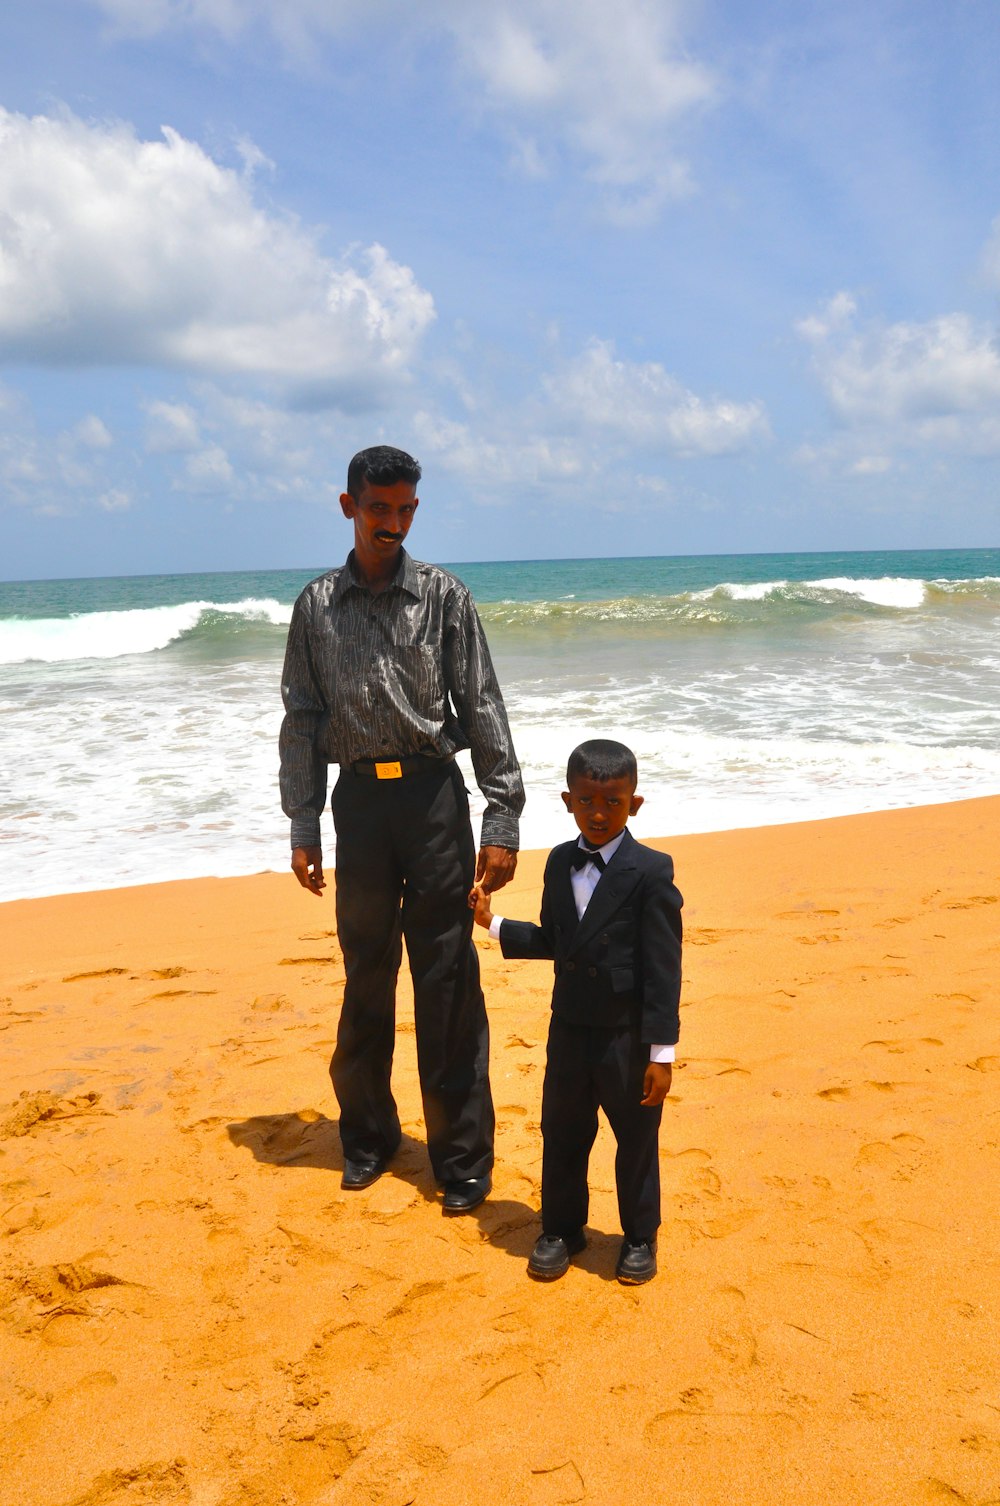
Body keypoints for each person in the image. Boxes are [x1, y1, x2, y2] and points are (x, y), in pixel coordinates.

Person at [279, 445, 524, 1213]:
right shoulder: (316, 606)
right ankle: (368, 1137)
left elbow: (480, 704)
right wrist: (303, 821)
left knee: (448, 979)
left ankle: (460, 1160)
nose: (393, 522)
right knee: (366, 971)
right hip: (358, 807)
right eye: (379, 508)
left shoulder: (445, 596)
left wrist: (503, 814)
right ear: (348, 506)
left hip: (432, 804)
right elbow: (302, 720)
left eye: (406, 509)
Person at [471, 739, 682, 1283]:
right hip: (568, 1030)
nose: (598, 813)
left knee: (635, 1140)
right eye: (587, 801)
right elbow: (556, 940)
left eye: (612, 803)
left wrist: (662, 1053)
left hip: (627, 1036)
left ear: (634, 804)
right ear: (568, 800)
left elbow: (663, 968)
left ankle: (639, 1236)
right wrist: (492, 923)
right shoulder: (560, 862)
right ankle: (563, 1228)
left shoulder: (652, 871)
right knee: (562, 1131)